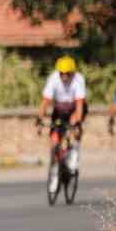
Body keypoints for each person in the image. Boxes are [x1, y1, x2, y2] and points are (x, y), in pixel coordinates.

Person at [39, 55, 87, 191]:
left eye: (67, 74)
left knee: (74, 128)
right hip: (59, 110)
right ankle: (54, 174)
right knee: (54, 142)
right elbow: (45, 101)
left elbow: (79, 106)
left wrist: (76, 122)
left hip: (75, 108)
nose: (64, 77)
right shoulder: (53, 79)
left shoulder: (78, 80)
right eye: (62, 74)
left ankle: (74, 155)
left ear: (72, 73)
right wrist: (40, 119)